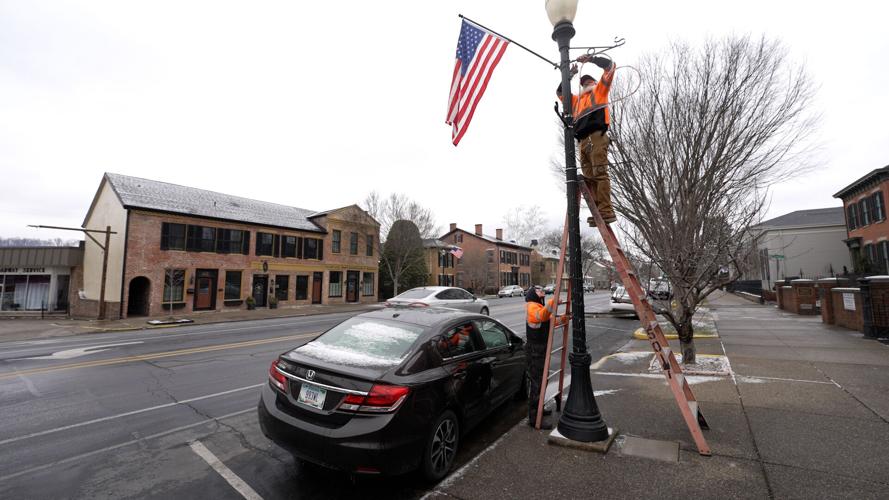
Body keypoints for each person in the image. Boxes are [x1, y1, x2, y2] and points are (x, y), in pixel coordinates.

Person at [557, 54, 617, 226]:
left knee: (599, 172)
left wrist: (591, 59)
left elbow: (610, 66)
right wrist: (568, 76)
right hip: (583, 141)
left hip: (596, 136)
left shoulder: (600, 91)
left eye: (588, 81)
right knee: (589, 177)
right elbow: (560, 93)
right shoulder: (576, 101)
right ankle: (598, 212)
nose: (586, 83)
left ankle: (606, 210)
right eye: (583, 82)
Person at [524, 285, 564, 429]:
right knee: (537, 383)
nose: (542, 291)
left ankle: (540, 408)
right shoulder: (532, 307)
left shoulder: (540, 306)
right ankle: (534, 418)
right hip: (535, 350)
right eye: (538, 290)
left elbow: (549, 319)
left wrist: (564, 318)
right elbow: (541, 316)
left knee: (542, 381)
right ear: (533, 294)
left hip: (540, 349)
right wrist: (553, 302)